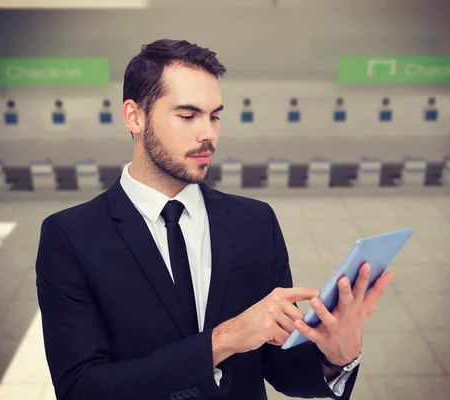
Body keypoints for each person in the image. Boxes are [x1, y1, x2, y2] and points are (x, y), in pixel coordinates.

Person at [35, 39, 394, 400]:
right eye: (188, 116)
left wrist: (336, 356)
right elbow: (81, 388)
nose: (208, 133)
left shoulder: (255, 222)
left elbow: (278, 366)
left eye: (215, 116)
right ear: (135, 116)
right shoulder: (70, 237)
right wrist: (223, 341)